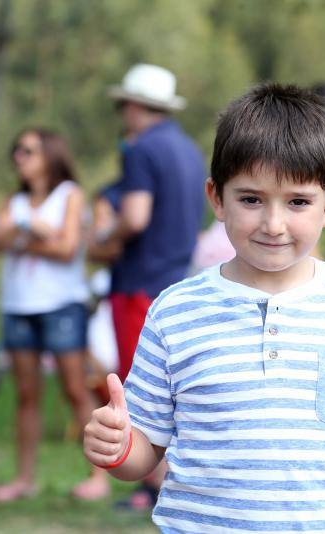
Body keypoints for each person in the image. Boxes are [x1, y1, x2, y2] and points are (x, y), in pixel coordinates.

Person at [84, 84, 325, 532]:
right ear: (217, 198)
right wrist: (116, 447)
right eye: (250, 199)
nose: (273, 224)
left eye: (298, 202)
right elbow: (144, 452)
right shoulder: (174, 312)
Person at [96, 63, 206, 510]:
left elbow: (136, 216)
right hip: (176, 277)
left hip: (139, 282)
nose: (122, 113)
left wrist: (104, 242)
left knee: (140, 389)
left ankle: (153, 487)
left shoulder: (140, 150)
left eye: (123, 104)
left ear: (136, 106)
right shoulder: (189, 149)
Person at [0, 128, 109, 502]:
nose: (19, 158)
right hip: (18, 305)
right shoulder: (15, 199)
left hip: (61, 304)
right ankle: (24, 478)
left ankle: (99, 476)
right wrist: (38, 234)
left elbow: (68, 248)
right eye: (17, 151)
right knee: (26, 394)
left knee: (75, 389)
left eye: (28, 151)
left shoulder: (69, 195)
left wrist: (23, 236)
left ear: (49, 155)